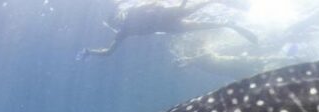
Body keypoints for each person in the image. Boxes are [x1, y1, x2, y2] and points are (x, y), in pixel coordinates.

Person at [77, 0, 257, 59]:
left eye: (115, 21)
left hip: (169, 20)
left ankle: (232, 18)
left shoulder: (129, 18)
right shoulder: (123, 32)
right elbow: (108, 52)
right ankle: (232, 25)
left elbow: (154, 3)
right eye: (114, 23)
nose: (116, 24)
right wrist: (89, 51)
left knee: (197, 8)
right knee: (200, 20)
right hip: (170, 24)